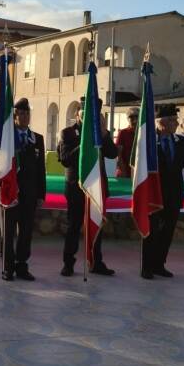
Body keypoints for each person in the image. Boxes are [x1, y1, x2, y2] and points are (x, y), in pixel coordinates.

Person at [57, 101, 116, 278]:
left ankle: (96, 262)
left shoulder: (101, 133)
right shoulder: (67, 133)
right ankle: (68, 263)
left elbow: (112, 154)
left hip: (97, 187)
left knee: (97, 225)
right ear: (78, 114)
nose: (89, 117)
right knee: (74, 226)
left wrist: (104, 133)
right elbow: (65, 158)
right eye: (85, 113)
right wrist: (85, 146)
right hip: (76, 187)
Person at [1, 98, 46, 282]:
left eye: (28, 113)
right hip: (10, 193)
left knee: (26, 233)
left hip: (29, 194)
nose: (25, 117)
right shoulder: (6, 138)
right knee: (8, 232)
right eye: (21, 113)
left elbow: (41, 169)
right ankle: (7, 268)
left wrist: (41, 194)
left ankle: (22, 266)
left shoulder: (37, 139)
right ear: (14, 116)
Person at [141, 105, 184, 280]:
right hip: (155, 193)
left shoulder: (180, 142)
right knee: (151, 231)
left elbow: (178, 165)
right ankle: (147, 266)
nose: (176, 123)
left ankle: (160, 264)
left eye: (176, 120)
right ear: (161, 123)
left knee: (167, 231)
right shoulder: (149, 142)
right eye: (172, 120)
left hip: (174, 193)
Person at [114, 107, 138, 178]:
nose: (135, 120)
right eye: (131, 117)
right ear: (127, 119)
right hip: (125, 172)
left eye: (137, 117)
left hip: (139, 174)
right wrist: (123, 172)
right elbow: (118, 154)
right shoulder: (123, 133)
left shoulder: (144, 133)